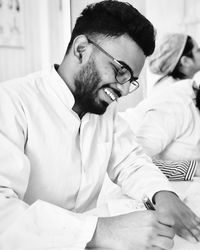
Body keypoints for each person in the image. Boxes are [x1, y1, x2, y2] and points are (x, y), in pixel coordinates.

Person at [0, 2, 199, 249]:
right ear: (81, 49)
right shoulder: (10, 103)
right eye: (120, 70)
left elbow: (130, 161)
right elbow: (3, 214)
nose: (125, 90)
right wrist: (99, 232)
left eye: (131, 80)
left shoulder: (103, 111)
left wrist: (162, 193)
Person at [120, 33, 200, 181]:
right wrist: (193, 168)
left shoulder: (183, 94)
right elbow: (134, 160)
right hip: (121, 152)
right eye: (198, 50)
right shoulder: (175, 102)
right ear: (184, 60)